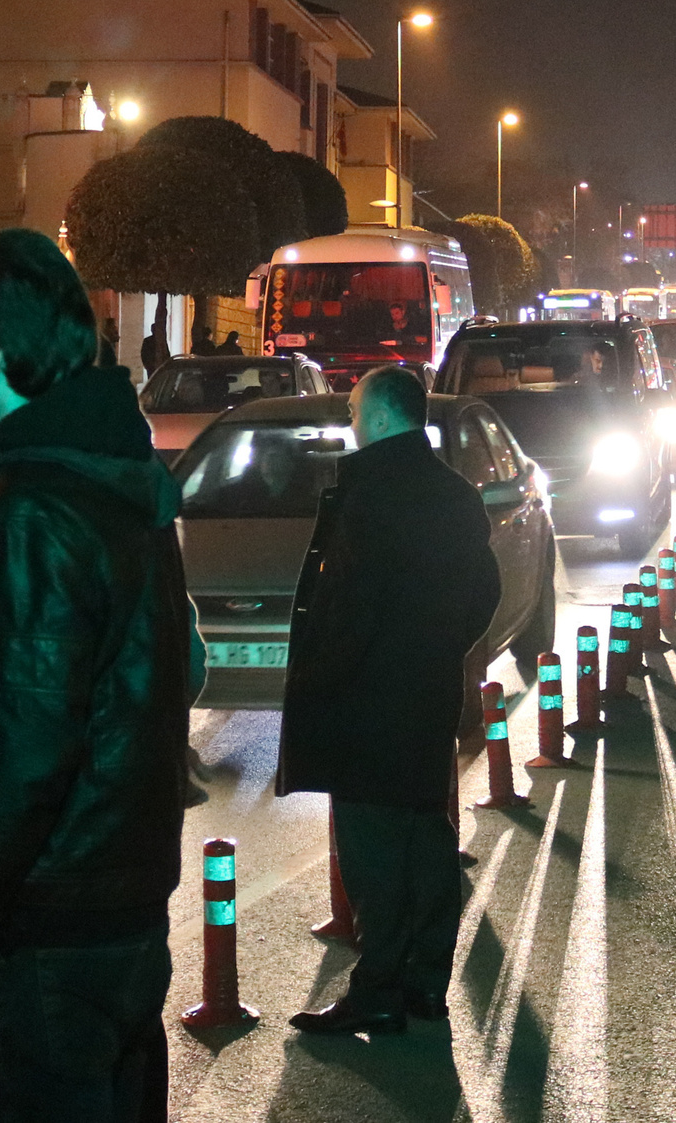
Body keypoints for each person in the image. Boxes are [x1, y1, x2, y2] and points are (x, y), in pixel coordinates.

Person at [0, 229, 193, 1122]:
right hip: (124, 908)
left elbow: (26, 742)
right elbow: (176, 669)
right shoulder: (120, 474)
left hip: (41, 929)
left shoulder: (33, 506)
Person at [278, 365, 499, 1037]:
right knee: (425, 838)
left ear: (377, 417)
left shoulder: (370, 495)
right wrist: (438, 648)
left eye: (353, 410)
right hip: (427, 693)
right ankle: (426, 985)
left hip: (366, 701)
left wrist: (319, 680)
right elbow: (484, 590)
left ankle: (377, 989)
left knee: (373, 849)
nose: (350, 422)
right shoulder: (455, 494)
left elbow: (349, 608)